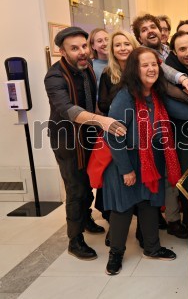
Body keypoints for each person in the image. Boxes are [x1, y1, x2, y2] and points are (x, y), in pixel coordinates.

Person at [103, 47, 188, 275]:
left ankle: (152, 248)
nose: (151, 69)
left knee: (150, 205)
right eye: (145, 65)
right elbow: (112, 135)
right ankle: (116, 254)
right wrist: (126, 170)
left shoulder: (156, 93)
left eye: (154, 64)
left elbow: (182, 111)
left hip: (153, 158)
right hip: (128, 160)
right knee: (122, 210)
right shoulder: (125, 95)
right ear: (135, 68)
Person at [44, 27, 127, 261]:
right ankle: (75, 240)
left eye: (83, 46)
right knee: (76, 188)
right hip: (68, 140)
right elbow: (69, 110)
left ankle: (87, 217)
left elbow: (94, 103)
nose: (82, 52)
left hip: (88, 135)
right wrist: (103, 121)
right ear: (62, 51)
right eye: (74, 48)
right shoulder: (54, 77)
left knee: (90, 181)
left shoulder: (87, 66)